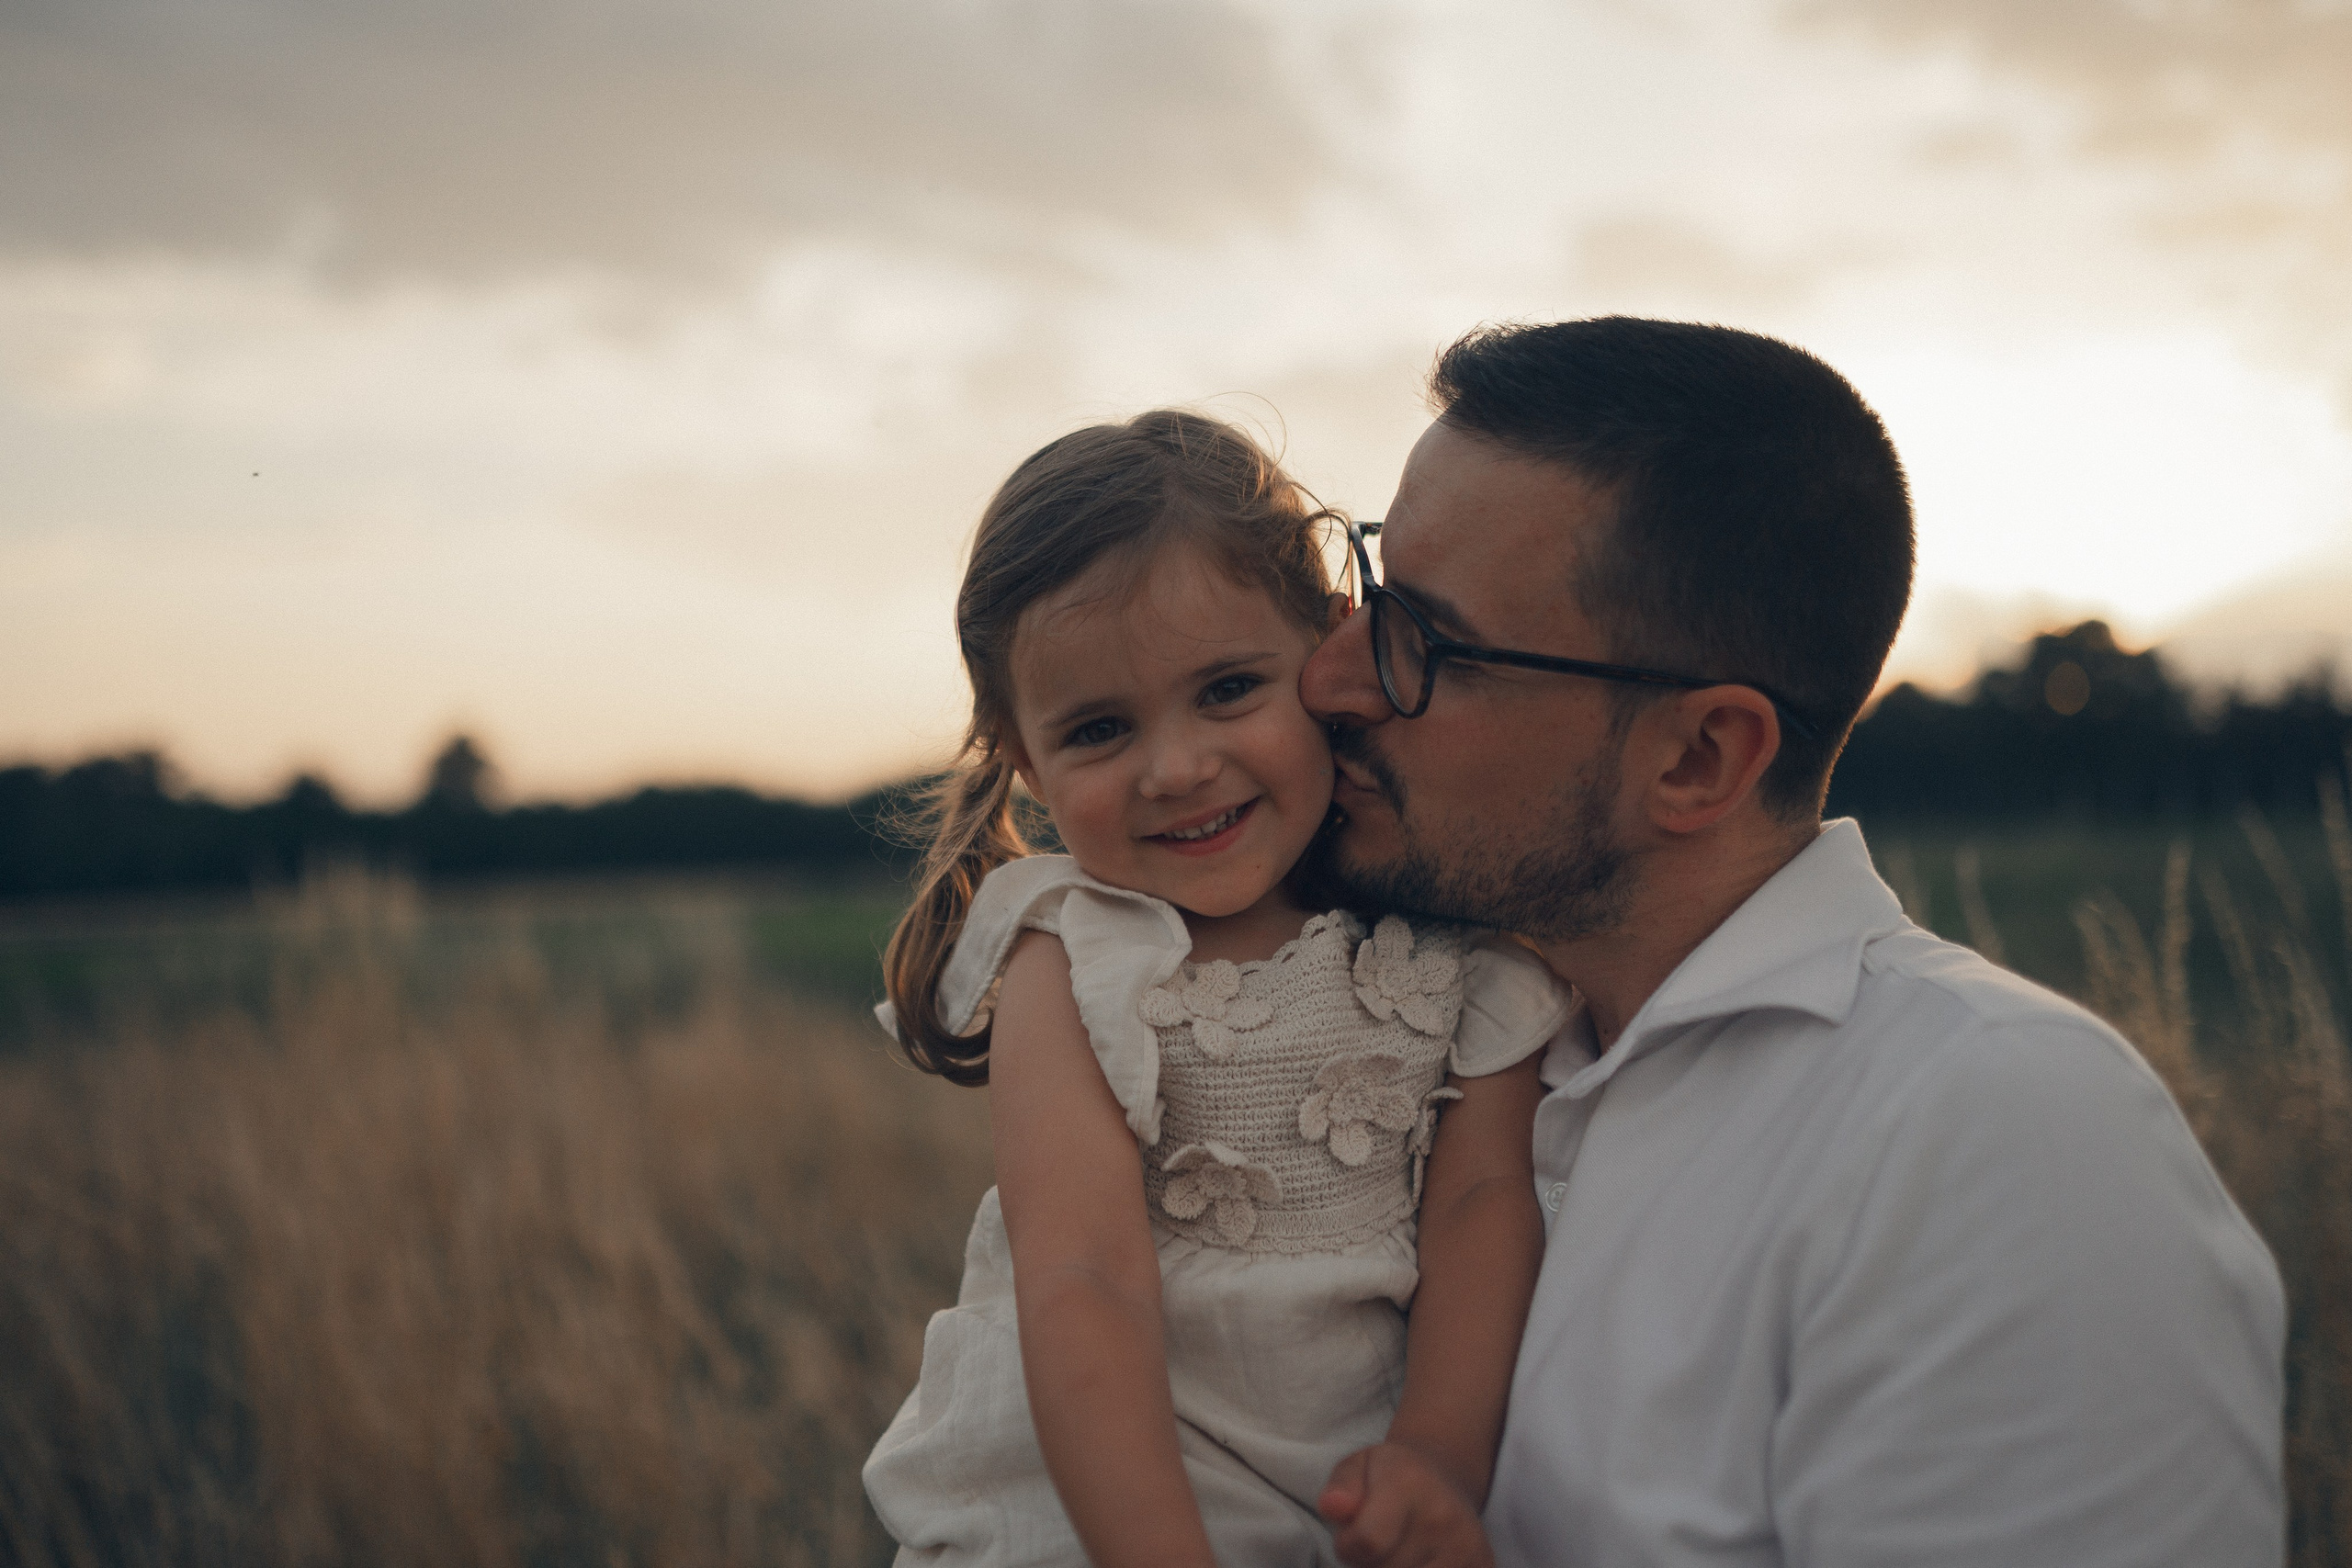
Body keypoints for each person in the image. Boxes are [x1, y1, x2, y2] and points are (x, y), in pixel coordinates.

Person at [1300, 318, 2287, 1566]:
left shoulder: (1994, 1125)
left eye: (1421, 643)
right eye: (1365, 589)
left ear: (1699, 756)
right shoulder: (1415, 1053)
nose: (1329, 678)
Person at [861, 409, 1573, 1568]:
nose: (1177, 766)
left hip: (1344, 1494)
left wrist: (1439, 1456)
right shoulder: (1073, 954)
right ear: (1027, 760)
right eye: (1099, 728)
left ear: (1330, 657)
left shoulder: (1453, 946)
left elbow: (1485, 1209)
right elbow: (1080, 1279)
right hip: (1098, 1505)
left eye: (1229, 689)